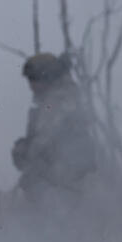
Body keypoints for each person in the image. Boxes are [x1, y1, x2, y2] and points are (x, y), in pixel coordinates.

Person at [11, 53, 95, 208]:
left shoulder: (56, 102)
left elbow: (43, 140)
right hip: (64, 180)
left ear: (46, 77)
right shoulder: (63, 97)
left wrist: (24, 151)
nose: (31, 85)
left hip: (63, 183)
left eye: (33, 79)